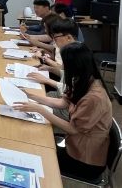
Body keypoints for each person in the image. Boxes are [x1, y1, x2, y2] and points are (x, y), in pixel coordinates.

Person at [15, 42, 112, 180]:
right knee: (32, 144)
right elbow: (63, 102)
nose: (63, 67)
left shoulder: (95, 97)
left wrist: (40, 110)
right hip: (74, 144)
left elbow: (73, 129)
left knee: (33, 154)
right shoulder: (83, 79)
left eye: (66, 64)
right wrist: (31, 96)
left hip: (85, 159)